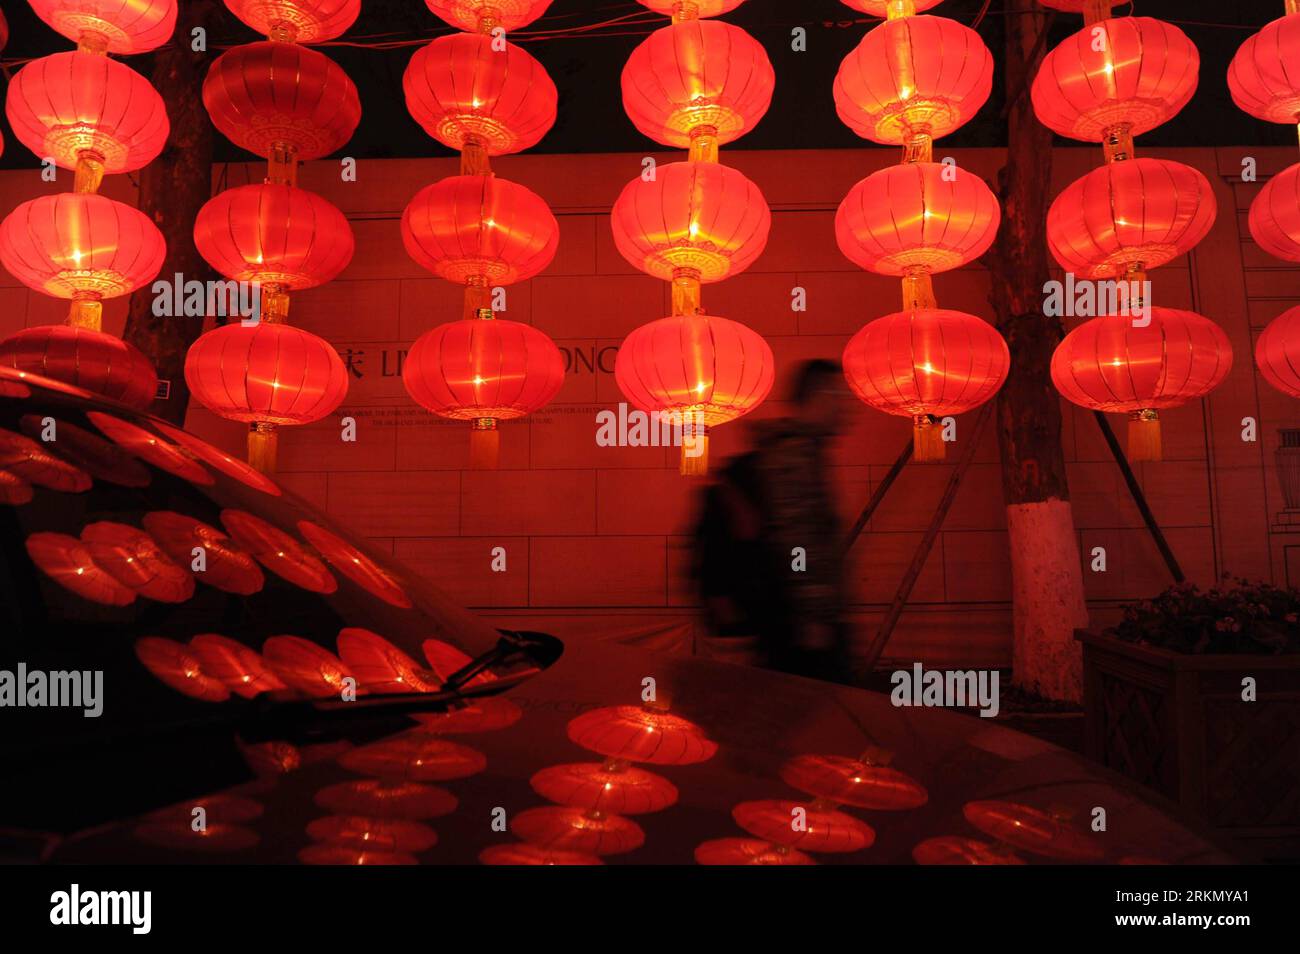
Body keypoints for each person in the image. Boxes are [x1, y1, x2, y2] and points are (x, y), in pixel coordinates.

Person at [693, 359, 854, 683]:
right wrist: (813, 618)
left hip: (790, 625)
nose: (847, 409)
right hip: (798, 628)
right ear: (819, 396)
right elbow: (799, 542)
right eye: (839, 396)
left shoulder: (801, 452)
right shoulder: (794, 457)